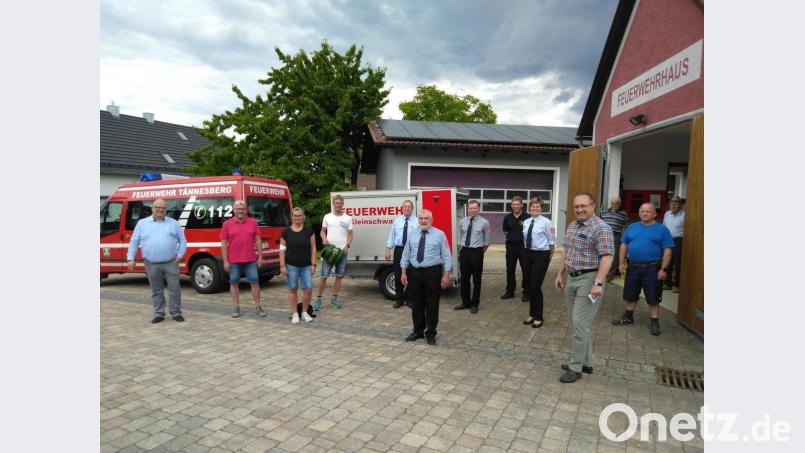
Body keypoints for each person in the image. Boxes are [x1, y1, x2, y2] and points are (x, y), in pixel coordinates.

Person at [554, 193, 614, 383]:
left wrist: (598, 282)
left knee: (580, 324)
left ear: (593, 206)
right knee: (577, 322)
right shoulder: (573, 225)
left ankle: (575, 367)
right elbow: (566, 251)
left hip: (589, 280)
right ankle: (586, 363)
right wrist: (559, 274)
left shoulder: (601, 228)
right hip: (572, 279)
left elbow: (607, 256)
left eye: (583, 206)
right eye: (576, 206)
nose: (579, 209)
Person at [612, 203, 674, 336]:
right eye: (642, 211)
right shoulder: (632, 227)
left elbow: (668, 250)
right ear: (639, 213)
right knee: (630, 293)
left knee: (653, 295)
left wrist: (663, 269)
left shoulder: (662, 230)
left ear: (654, 214)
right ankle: (628, 317)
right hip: (633, 266)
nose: (644, 213)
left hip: (652, 268)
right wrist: (621, 262)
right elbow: (623, 245)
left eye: (648, 211)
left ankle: (654, 321)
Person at [127, 198, 187, 323]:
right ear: (152, 208)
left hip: (171, 262)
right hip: (151, 263)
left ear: (166, 209)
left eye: (163, 208)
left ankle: (176, 312)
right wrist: (130, 258)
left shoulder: (174, 223)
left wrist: (180, 255)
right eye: (158, 207)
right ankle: (159, 313)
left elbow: (182, 240)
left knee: (174, 289)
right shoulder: (142, 224)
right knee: (156, 290)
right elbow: (134, 241)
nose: (160, 210)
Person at [400, 209, 453, 345]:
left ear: (431, 220)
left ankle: (431, 333)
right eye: (421, 218)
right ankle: (418, 331)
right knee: (416, 304)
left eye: (426, 218)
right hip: (415, 273)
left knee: (432, 304)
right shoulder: (412, 234)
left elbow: (447, 256)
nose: (423, 221)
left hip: (432, 273)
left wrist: (446, 275)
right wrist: (403, 272)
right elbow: (406, 254)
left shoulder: (440, 235)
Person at [221, 200, 265, 318]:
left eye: (242, 209)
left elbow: (258, 240)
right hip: (234, 260)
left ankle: (258, 306)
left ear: (245, 210)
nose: (240, 211)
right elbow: (224, 243)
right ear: (234, 210)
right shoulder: (227, 224)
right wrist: (225, 260)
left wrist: (260, 256)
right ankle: (236, 307)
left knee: (255, 282)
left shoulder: (253, 223)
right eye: (238, 209)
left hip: (250, 259)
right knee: (234, 282)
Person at [313, 194, 353, 310]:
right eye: (336, 203)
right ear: (333, 204)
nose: (338, 205)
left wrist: (347, 245)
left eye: (340, 203)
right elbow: (322, 231)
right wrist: (323, 238)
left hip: (342, 252)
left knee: (339, 276)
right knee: (323, 276)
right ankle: (318, 300)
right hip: (330, 251)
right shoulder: (327, 217)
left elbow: (350, 234)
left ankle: (334, 299)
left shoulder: (347, 218)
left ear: (343, 204)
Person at [521, 197, 556, 328]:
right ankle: (532, 314)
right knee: (529, 286)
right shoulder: (526, 221)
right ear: (529, 208)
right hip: (527, 253)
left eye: (538, 207)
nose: (535, 209)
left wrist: (549, 257)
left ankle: (539, 316)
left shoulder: (547, 222)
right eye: (533, 207)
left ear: (541, 208)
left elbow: (552, 241)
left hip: (541, 255)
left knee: (536, 285)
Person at [280, 208, 317, 324]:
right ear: (292, 217)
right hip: (291, 266)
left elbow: (313, 248)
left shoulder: (309, 231)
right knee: (292, 289)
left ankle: (304, 312)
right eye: (295, 216)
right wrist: (282, 265)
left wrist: (313, 264)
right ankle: (295, 313)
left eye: (299, 216)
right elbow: (282, 250)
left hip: (306, 266)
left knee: (308, 289)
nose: (297, 218)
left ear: (303, 217)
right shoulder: (286, 232)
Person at [455, 200, 490, 314]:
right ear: (468, 209)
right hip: (465, 251)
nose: (473, 210)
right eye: (471, 208)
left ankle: (475, 304)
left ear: (478, 209)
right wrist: (461, 250)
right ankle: (465, 302)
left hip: (477, 252)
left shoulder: (485, 223)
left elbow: (486, 241)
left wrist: (479, 252)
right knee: (464, 279)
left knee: (476, 279)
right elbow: (461, 236)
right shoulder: (462, 222)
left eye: (475, 208)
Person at [385, 200, 418, 309]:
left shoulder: (417, 221)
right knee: (398, 274)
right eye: (405, 206)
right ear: (402, 208)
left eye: (409, 206)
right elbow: (392, 236)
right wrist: (388, 250)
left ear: (412, 208)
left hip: (412, 251)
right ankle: (399, 299)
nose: (407, 208)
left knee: (411, 275)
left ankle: (409, 299)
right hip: (399, 250)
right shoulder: (397, 221)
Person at [501, 196, 530, 302]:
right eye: (514, 204)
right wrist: (512, 237)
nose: (516, 206)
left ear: (522, 205)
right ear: (511, 205)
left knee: (526, 270)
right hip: (511, 246)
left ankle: (527, 292)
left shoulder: (528, 217)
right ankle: (510, 291)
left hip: (524, 247)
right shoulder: (507, 217)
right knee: (510, 270)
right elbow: (505, 231)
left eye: (518, 204)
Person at [600, 197, 629, 282]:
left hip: (616, 235)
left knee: (615, 255)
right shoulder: (604, 212)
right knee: (603, 254)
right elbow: (600, 224)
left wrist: (626, 237)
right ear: (611, 204)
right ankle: (602, 272)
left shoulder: (623, 213)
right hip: (604, 235)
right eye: (613, 203)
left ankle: (610, 274)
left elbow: (626, 226)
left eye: (616, 203)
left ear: (619, 204)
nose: (614, 205)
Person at [663, 196, 685, 293]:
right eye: (672, 204)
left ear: (680, 205)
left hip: (678, 240)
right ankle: (667, 283)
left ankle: (677, 284)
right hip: (667, 240)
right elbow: (664, 226)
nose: (673, 206)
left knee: (677, 263)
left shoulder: (684, 214)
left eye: (675, 204)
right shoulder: (667, 214)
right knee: (668, 261)